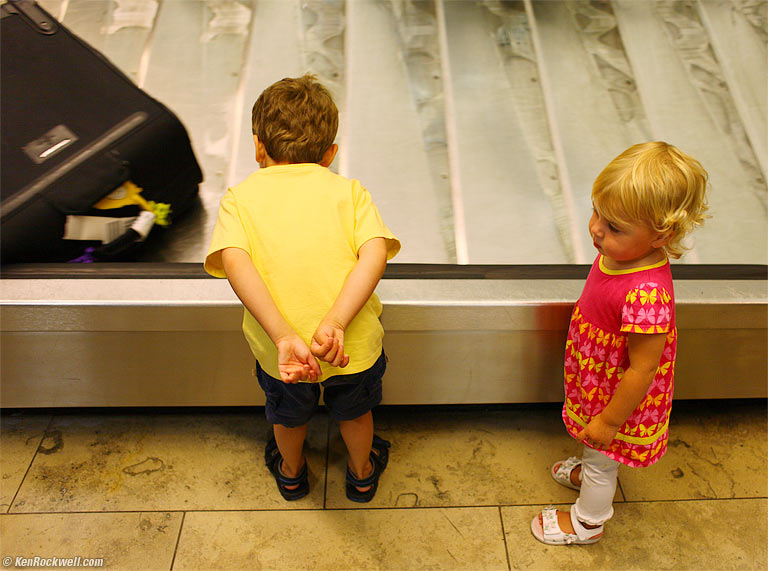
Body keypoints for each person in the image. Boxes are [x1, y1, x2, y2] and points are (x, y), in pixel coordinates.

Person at [204, 74, 400, 502]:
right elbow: (374, 254)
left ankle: (291, 474)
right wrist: (336, 321)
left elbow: (234, 261)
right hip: (350, 345)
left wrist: (282, 336)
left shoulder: (239, 199)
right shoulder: (350, 193)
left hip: (283, 354)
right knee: (356, 413)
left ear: (258, 146)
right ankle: (361, 474)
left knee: (288, 417)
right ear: (330, 153)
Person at [531, 142, 709, 545]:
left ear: (661, 235)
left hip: (618, 398)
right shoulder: (622, 254)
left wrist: (610, 422)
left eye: (614, 227)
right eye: (597, 212)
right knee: (594, 445)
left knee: (602, 459)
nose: (596, 228)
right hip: (600, 379)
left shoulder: (646, 294)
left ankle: (587, 523)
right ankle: (592, 464)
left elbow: (644, 367)